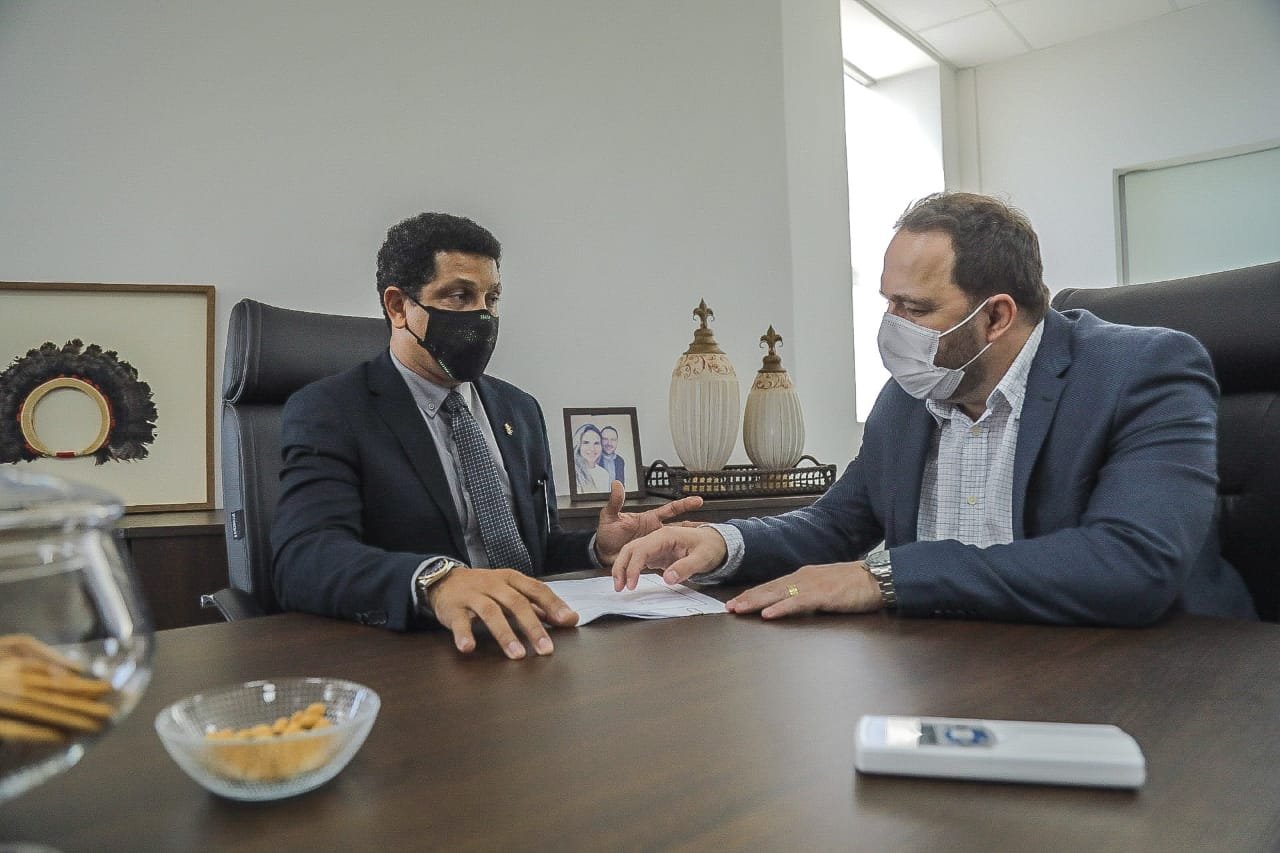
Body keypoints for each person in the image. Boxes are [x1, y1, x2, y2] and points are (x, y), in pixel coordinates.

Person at [613, 192, 1256, 627]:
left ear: (996, 316)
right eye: (888, 303)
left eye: (914, 309)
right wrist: (722, 541)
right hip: (955, 664)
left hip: (1161, 676)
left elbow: (1132, 563)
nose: (891, 327)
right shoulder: (910, 393)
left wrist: (885, 578)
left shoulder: (1145, 371)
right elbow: (836, 523)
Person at [272, 211, 702, 659]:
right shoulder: (332, 410)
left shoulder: (520, 409)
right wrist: (435, 581)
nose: (482, 315)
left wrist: (598, 547)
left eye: (491, 298)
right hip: (420, 655)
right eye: (459, 296)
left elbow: (526, 552)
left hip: (532, 642)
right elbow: (303, 558)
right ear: (398, 307)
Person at [572, 423, 615, 492]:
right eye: (586, 442)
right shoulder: (573, 473)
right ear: (578, 446)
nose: (592, 448)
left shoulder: (604, 474)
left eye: (596, 443)